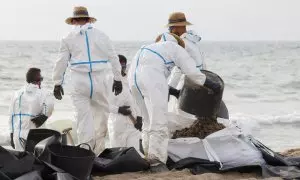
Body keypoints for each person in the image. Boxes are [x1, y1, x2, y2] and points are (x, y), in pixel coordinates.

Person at [127, 33, 221, 172]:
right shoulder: (174, 47)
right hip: (150, 78)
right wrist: (211, 84)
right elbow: (191, 72)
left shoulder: (148, 48)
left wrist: (173, 91)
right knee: (159, 121)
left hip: (133, 81)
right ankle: (156, 161)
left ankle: (146, 156)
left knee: (147, 120)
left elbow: (150, 73)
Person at [52, 6, 122, 155]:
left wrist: (57, 83)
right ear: (88, 19)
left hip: (79, 81)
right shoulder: (102, 35)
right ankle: (98, 152)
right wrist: (118, 79)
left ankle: (85, 153)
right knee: (101, 116)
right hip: (100, 80)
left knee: (83, 119)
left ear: (74, 21)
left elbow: (61, 61)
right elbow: (113, 57)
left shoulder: (67, 38)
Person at [8, 68, 54, 151]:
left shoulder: (16, 94)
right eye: (41, 79)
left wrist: (11, 134)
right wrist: (44, 116)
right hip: (35, 135)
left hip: (18, 135)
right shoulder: (43, 93)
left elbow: (11, 116)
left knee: (22, 160)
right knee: (36, 161)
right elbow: (50, 105)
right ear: (38, 80)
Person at [107, 55, 143, 154]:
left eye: (123, 66)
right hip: (117, 123)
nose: (122, 69)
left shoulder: (129, 78)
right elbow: (103, 105)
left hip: (133, 123)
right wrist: (119, 110)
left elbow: (136, 100)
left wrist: (139, 116)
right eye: (119, 66)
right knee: (118, 154)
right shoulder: (108, 80)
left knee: (134, 153)